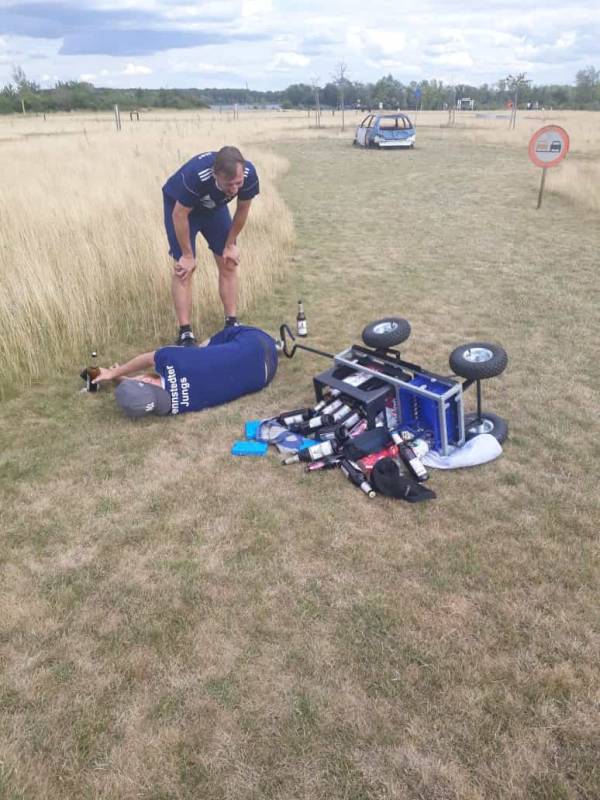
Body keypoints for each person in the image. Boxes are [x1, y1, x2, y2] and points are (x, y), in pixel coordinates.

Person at [162, 146, 260, 347]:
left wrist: (230, 243)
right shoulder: (196, 175)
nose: (234, 190)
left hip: (213, 208)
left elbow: (242, 210)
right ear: (216, 175)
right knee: (184, 269)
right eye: (229, 184)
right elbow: (179, 214)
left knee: (228, 261)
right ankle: (185, 333)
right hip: (180, 208)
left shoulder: (248, 174)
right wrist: (187, 255)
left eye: (238, 183)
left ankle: (231, 323)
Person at [93, 326, 278, 418]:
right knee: (202, 350)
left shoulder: (170, 408)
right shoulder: (172, 359)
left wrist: (122, 379)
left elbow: (148, 396)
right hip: (257, 341)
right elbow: (148, 359)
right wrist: (115, 373)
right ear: (146, 381)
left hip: (264, 376)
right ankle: (277, 344)